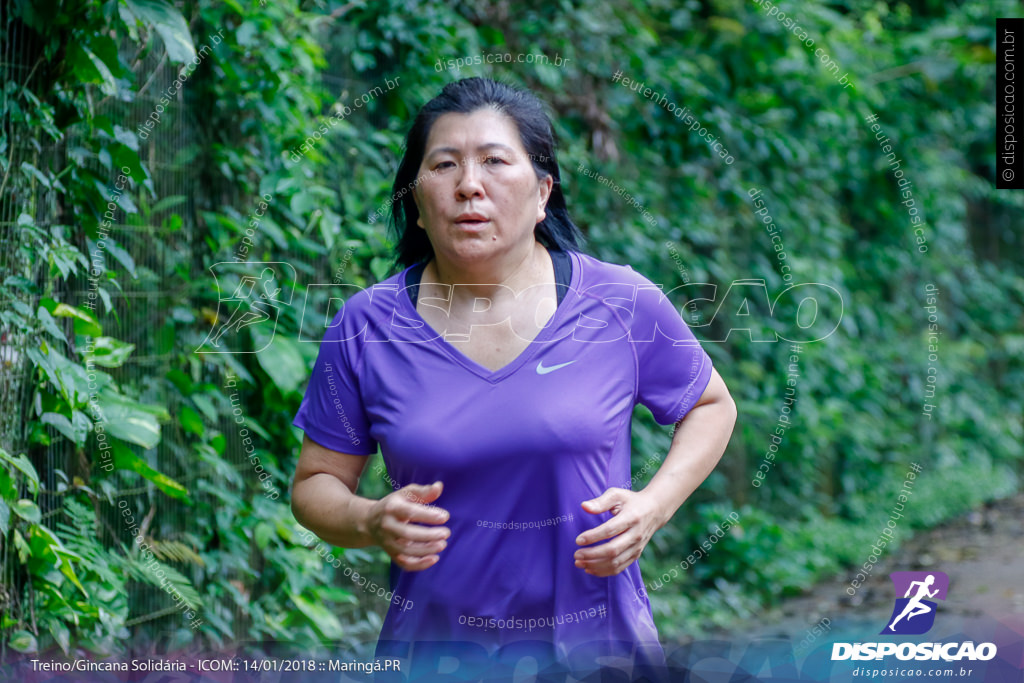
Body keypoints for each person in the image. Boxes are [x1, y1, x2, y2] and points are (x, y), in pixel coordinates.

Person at [290, 77, 737, 681]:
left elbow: (710, 405)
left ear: (543, 191)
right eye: (444, 165)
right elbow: (316, 484)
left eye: (495, 162)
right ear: (417, 201)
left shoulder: (620, 302)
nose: (469, 185)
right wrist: (370, 520)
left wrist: (652, 508)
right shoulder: (366, 326)